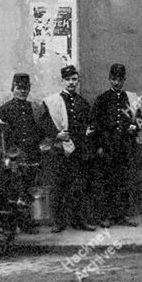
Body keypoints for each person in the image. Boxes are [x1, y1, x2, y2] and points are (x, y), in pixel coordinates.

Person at [39, 65, 96, 232]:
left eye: (74, 79)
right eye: (68, 79)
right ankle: (59, 222)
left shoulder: (82, 103)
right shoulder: (52, 102)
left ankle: (79, 220)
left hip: (77, 150)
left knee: (78, 186)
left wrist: (89, 130)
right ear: (62, 81)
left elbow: (89, 123)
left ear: (78, 81)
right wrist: (56, 135)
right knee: (59, 186)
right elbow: (44, 124)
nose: (71, 83)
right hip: (59, 150)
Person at [91, 63, 142, 227]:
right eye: (113, 79)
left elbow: (140, 118)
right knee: (107, 182)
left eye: (120, 80)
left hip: (125, 147)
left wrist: (136, 126)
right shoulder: (103, 99)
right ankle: (106, 216)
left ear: (124, 80)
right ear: (109, 79)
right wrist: (99, 146)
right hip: (108, 147)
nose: (116, 83)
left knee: (124, 182)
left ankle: (123, 215)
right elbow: (95, 125)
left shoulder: (131, 98)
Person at [0, 73, 41, 224]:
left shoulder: (31, 108)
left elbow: (36, 131)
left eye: (25, 88)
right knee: (13, 191)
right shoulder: (4, 110)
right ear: (12, 88)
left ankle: (25, 222)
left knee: (28, 189)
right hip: (12, 158)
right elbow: (0, 136)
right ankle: (10, 223)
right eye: (19, 88)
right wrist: (9, 155)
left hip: (29, 156)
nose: (22, 91)